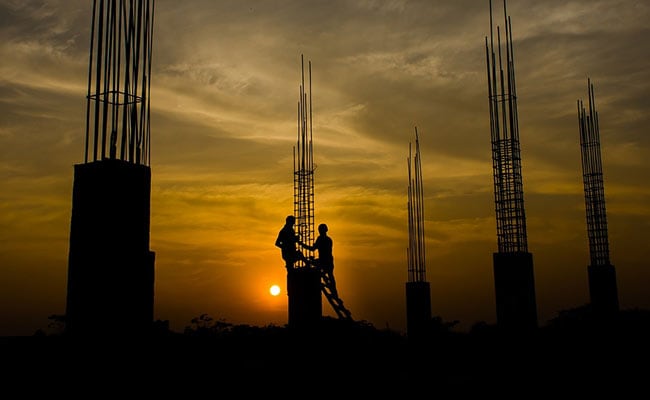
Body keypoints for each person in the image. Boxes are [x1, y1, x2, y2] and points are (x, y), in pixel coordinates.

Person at [299, 223, 338, 296]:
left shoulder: (320, 239)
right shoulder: (329, 239)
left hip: (323, 262)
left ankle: (333, 291)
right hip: (329, 261)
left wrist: (301, 244)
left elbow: (312, 249)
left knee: (310, 263)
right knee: (331, 275)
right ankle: (335, 292)